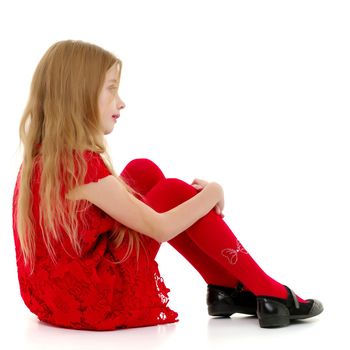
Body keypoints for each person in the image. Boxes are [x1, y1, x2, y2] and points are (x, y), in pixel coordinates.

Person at [12, 39, 323, 331]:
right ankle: (270, 293)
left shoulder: (46, 159)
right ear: (78, 95)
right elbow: (161, 228)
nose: (121, 102)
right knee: (173, 192)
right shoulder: (80, 166)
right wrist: (213, 192)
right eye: (111, 90)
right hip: (96, 301)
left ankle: (223, 288)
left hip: (53, 301)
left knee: (142, 172)